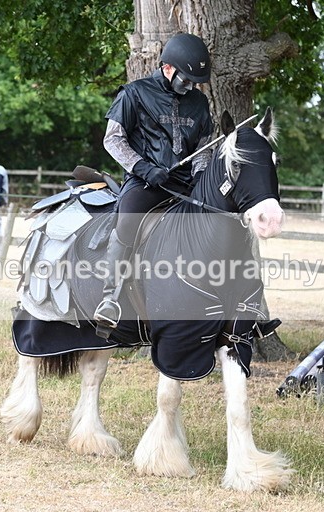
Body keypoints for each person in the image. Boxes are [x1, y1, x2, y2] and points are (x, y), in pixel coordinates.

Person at [92, 33, 214, 330]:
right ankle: (110, 297)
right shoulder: (133, 93)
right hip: (146, 184)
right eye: (186, 79)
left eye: (195, 82)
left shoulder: (199, 102)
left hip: (185, 185)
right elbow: (113, 140)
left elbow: (203, 146)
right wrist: (144, 168)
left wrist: (200, 176)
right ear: (168, 68)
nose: (191, 86)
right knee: (128, 217)